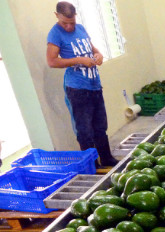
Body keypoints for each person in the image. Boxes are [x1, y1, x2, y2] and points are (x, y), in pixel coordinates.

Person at [46, 1, 118, 167]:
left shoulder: (81, 29)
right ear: (56, 15)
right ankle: (92, 165)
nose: (69, 27)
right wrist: (78, 60)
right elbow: (51, 61)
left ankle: (106, 158)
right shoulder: (55, 34)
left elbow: (93, 50)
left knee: (100, 127)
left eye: (72, 22)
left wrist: (99, 55)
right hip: (77, 89)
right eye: (65, 23)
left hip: (94, 85)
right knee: (85, 131)